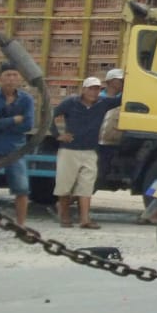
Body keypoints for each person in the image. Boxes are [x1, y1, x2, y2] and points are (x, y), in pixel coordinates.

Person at [0, 63, 35, 236]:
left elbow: (28, 124)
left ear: (20, 78)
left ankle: (21, 226)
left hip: (15, 150)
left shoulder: (26, 99)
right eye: (7, 75)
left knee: (21, 189)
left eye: (15, 75)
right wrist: (13, 120)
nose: (11, 78)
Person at [53, 77, 107, 228]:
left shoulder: (102, 104)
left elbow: (123, 97)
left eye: (97, 89)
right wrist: (58, 135)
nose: (94, 92)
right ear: (83, 89)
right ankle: (64, 215)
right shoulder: (71, 102)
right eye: (91, 88)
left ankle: (85, 219)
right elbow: (51, 115)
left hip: (90, 151)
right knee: (64, 186)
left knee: (86, 186)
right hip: (69, 150)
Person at [95, 69, 125, 184]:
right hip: (95, 141)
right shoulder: (98, 98)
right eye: (120, 80)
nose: (122, 83)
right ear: (110, 81)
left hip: (111, 143)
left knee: (102, 172)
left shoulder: (123, 98)